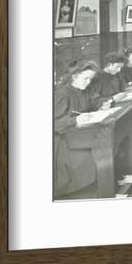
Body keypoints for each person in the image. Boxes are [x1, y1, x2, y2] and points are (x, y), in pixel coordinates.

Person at [53, 62, 112, 198]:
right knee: (91, 158)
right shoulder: (61, 93)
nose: (88, 82)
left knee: (107, 145)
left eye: (90, 79)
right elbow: (52, 123)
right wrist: (75, 120)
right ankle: (93, 193)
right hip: (62, 139)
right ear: (74, 76)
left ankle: (106, 185)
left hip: (81, 133)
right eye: (85, 78)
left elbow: (92, 102)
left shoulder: (84, 89)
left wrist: (102, 104)